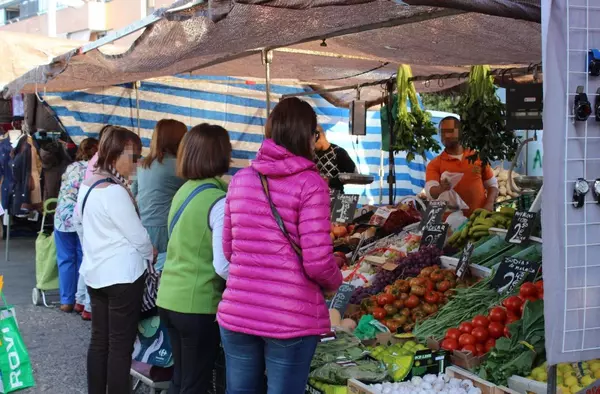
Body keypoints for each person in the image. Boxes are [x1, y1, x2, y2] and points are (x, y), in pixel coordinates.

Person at [217, 98, 343, 394]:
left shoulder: (241, 180)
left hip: (238, 312)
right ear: (306, 135)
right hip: (291, 318)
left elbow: (228, 249)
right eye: (315, 135)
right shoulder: (311, 184)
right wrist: (336, 282)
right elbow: (317, 262)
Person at [75, 126, 154, 394]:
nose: (137, 163)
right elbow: (139, 237)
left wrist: (96, 247)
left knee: (100, 341)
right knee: (120, 346)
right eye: (134, 157)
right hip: (123, 277)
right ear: (116, 154)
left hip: (96, 273)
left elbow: (79, 223)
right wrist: (150, 253)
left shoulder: (88, 185)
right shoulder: (114, 191)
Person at [156, 124, 231, 393]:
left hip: (169, 298)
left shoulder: (184, 191)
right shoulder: (218, 201)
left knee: (180, 379)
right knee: (195, 384)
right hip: (197, 304)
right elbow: (223, 266)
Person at [54, 138, 98, 315]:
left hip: (61, 215)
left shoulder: (71, 167)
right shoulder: (94, 169)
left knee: (65, 259)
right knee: (83, 257)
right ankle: (83, 300)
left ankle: (66, 300)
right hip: (81, 216)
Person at [131, 119, 187, 259]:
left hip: (142, 224)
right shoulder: (178, 167)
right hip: (165, 227)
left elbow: (132, 193)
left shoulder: (142, 165)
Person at [425, 117, 499, 216]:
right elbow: (431, 192)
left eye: (450, 131)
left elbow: (492, 185)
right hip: (450, 225)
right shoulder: (435, 164)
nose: (446, 135)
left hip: (479, 220)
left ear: (461, 132)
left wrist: (489, 204)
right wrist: (440, 188)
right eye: (442, 132)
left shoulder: (477, 157)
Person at [314, 125, 357, 193]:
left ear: (318, 136)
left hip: (336, 198)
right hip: (317, 196)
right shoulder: (312, 154)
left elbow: (353, 174)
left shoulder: (338, 152)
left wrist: (331, 181)